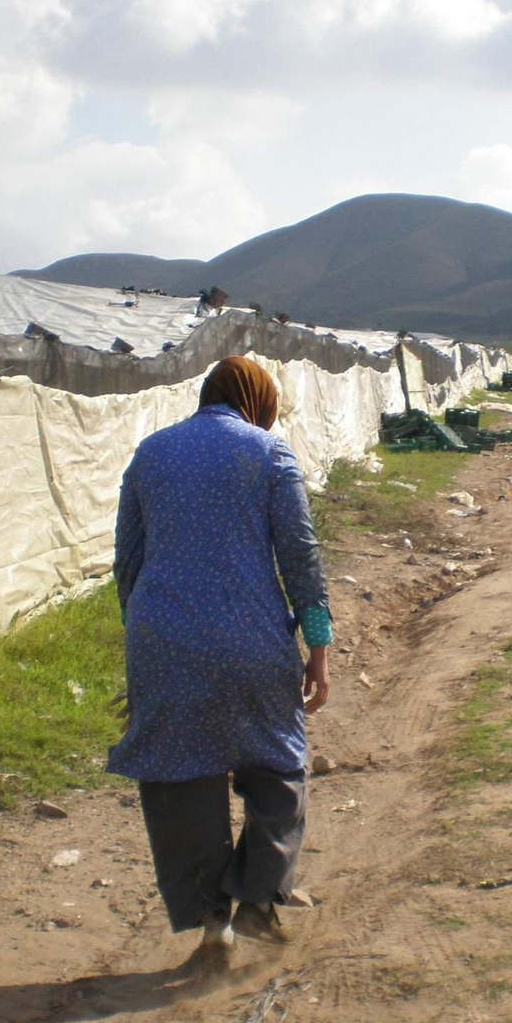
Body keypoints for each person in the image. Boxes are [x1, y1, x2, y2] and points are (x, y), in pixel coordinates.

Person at [108, 355, 332, 960]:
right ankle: (260, 900)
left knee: (179, 778)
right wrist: (318, 646)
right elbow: (301, 557)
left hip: (164, 640)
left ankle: (213, 922)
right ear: (258, 400)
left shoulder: (150, 454)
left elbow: (127, 562)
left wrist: (147, 642)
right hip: (250, 638)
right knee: (278, 766)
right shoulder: (268, 454)